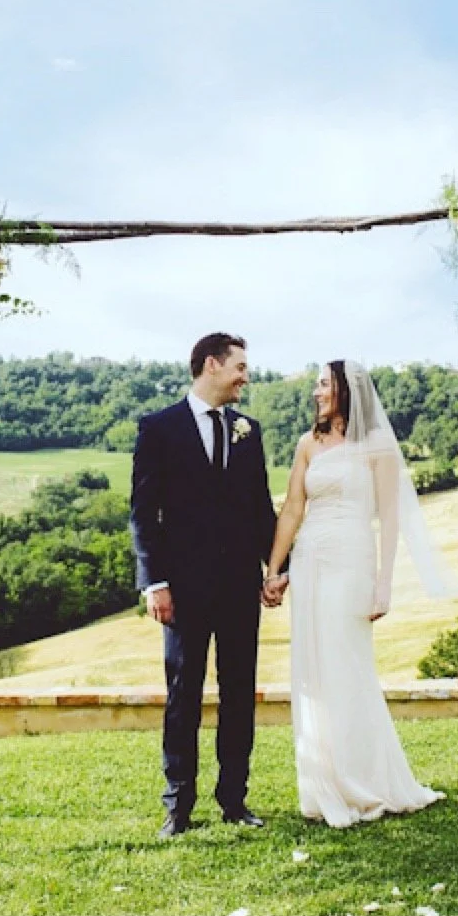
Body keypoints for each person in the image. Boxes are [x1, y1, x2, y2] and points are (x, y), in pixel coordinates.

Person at [264, 359, 453, 827]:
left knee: (347, 668)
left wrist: (383, 584)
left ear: (346, 390)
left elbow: (390, 518)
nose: (316, 391)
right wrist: (274, 569)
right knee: (314, 669)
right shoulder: (308, 443)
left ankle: (365, 782)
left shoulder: (377, 446)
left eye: (324, 384)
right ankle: (323, 783)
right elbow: (291, 508)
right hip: (309, 560)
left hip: (352, 561)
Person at [129, 333, 282, 839]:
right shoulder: (159, 428)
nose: (245, 376)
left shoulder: (248, 430)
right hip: (185, 592)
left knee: (239, 693)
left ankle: (234, 800)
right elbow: (142, 515)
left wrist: (278, 567)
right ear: (211, 365)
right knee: (183, 695)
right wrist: (155, 582)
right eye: (239, 366)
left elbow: (261, 509)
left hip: (240, 587)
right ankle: (178, 805)